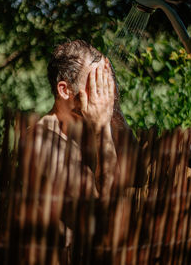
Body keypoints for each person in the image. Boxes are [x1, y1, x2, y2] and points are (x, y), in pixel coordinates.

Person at [17, 40, 148, 265]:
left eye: (105, 83)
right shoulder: (40, 143)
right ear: (65, 90)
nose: (102, 92)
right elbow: (102, 213)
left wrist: (114, 112)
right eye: (94, 83)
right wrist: (102, 130)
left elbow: (138, 177)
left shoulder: (87, 129)